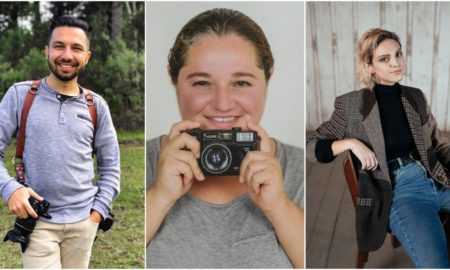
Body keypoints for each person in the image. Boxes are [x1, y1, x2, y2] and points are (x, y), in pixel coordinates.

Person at [146, 8, 304, 268]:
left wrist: (279, 207)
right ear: (173, 79)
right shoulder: (141, 163)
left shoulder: (299, 170)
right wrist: (160, 196)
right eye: (201, 83)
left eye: (241, 83)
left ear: (268, 78)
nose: (222, 104)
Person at [307, 28, 450, 268]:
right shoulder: (352, 105)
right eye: (385, 59)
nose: (396, 63)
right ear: (369, 65)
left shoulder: (416, 97)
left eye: (398, 54)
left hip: (437, 178)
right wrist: (351, 143)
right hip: (401, 193)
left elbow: (440, 145)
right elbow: (311, 145)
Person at [0, 15, 120, 268]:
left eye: (76, 48)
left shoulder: (96, 106)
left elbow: (111, 167)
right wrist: (10, 189)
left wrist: (97, 214)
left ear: (87, 56)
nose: (67, 55)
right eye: (59, 46)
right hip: (38, 222)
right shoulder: (20, 95)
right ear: (47, 51)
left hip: (84, 223)